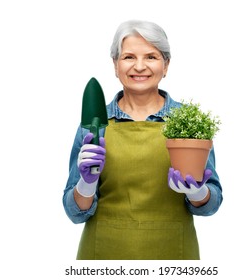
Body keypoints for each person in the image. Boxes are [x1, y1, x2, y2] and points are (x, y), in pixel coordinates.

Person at [63, 20, 223, 260]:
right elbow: (75, 213)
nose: (139, 67)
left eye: (151, 57)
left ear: (166, 65)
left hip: (172, 257)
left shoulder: (187, 122)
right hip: (105, 256)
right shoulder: (95, 125)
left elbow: (211, 205)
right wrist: (85, 185)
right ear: (115, 65)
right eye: (128, 57)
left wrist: (198, 193)